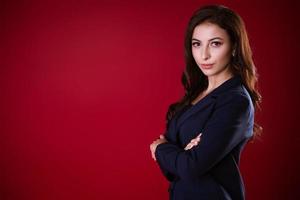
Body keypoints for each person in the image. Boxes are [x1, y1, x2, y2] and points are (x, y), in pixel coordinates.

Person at [150, 4, 262, 200]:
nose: (204, 55)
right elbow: (173, 171)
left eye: (215, 43)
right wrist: (180, 155)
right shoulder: (197, 93)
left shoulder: (235, 100)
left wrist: (160, 148)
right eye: (197, 44)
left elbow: (190, 167)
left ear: (234, 46)